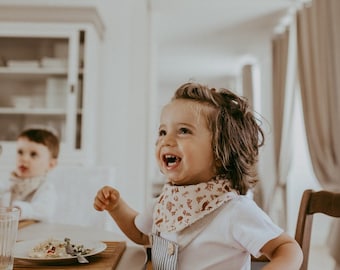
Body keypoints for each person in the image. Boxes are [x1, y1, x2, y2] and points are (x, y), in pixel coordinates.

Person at [94, 82, 303, 269]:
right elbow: (140, 234)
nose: (167, 140)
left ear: (221, 153)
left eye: (184, 131)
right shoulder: (164, 203)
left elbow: (286, 248)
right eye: (163, 132)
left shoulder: (235, 210)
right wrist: (116, 207)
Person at [9, 128, 59, 222]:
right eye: (20, 152)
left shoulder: (46, 187)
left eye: (33, 154)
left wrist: (19, 210)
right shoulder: (9, 183)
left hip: (36, 234)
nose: (23, 158)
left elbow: (45, 211)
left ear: (51, 164)